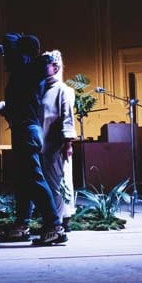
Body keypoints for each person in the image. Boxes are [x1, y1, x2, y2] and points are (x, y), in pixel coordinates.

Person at [0, 33, 65, 245]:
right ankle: (22, 225)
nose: (4, 58)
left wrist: (31, 52)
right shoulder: (24, 72)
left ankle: (54, 226)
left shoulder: (27, 69)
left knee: (34, 179)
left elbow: (41, 60)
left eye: (8, 53)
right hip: (24, 130)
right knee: (24, 181)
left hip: (27, 131)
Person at [40, 50, 78, 235]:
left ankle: (60, 221)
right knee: (49, 183)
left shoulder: (63, 90)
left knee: (58, 183)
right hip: (42, 143)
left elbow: (67, 118)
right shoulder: (41, 89)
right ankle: (55, 219)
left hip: (56, 144)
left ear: (55, 67)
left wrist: (68, 144)